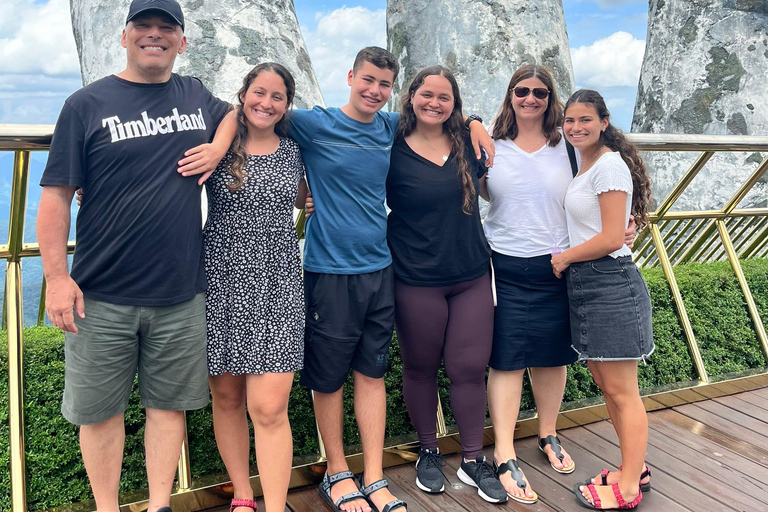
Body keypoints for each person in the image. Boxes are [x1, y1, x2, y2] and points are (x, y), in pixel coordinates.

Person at [36, 1, 233, 511]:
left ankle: (159, 504)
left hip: (180, 292)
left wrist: (216, 148)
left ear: (182, 43)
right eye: (143, 26)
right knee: (100, 413)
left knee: (168, 408)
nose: (154, 35)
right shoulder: (86, 103)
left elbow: (238, 114)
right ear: (124, 37)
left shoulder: (194, 95)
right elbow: (57, 195)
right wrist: (56, 276)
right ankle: (107, 507)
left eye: (166, 28)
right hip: (101, 293)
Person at [481, 65, 637, 505]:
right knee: (507, 358)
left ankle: (548, 433)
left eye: (541, 93)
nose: (531, 98)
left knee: (552, 357)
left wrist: (629, 226)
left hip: (559, 264)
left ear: (553, 100)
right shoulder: (489, 144)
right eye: (522, 90)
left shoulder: (568, 146)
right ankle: (505, 450)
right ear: (510, 94)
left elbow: (609, 188)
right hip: (504, 263)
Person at [386, 66, 506, 504]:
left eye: (444, 97)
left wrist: (474, 120)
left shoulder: (467, 143)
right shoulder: (391, 144)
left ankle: (474, 459)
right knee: (420, 366)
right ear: (410, 95)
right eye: (426, 94)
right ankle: (429, 451)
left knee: (469, 369)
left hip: (472, 274)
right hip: (416, 277)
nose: (434, 103)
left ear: (455, 102)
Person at [204, 63, 308, 512]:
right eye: (258, 92)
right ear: (243, 95)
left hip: (277, 283)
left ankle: (276, 504)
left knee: (268, 407)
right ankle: (243, 496)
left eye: (277, 96)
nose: (266, 103)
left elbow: (313, 192)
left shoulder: (298, 148)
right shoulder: (218, 146)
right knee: (226, 397)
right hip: (220, 278)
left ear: (287, 104)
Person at [551, 89, 653, 510]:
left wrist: (565, 258)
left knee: (622, 391)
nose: (575, 127)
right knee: (607, 386)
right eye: (569, 120)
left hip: (609, 282)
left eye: (585, 120)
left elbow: (613, 237)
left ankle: (629, 486)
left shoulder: (609, 165)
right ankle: (634, 467)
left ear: (604, 122)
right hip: (591, 284)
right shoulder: (588, 162)